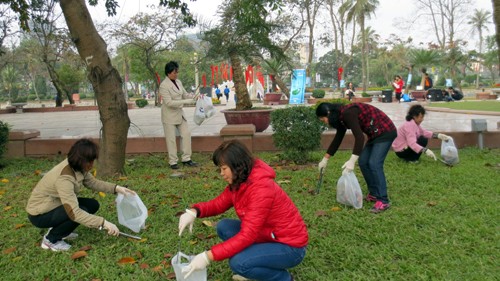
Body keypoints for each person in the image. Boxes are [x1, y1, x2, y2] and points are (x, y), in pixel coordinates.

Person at [178, 140, 308, 281]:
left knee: (238, 263)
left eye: (224, 168)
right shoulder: (240, 181)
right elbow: (218, 204)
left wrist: (207, 256)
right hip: (267, 235)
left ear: (237, 166)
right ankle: (253, 262)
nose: (221, 173)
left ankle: (284, 278)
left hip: (290, 246)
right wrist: (194, 211)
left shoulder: (261, 189)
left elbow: (248, 235)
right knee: (224, 227)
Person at [26, 138, 137, 252]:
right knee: (77, 212)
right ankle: (50, 240)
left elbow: (92, 182)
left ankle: (63, 231)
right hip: (40, 215)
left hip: (53, 205)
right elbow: (74, 213)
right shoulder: (64, 178)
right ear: (82, 160)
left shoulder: (77, 166)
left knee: (92, 205)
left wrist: (116, 188)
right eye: (90, 161)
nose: (92, 165)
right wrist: (104, 223)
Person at [316, 102, 397, 213]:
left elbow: (359, 137)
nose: (325, 122)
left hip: (385, 132)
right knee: (363, 161)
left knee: (374, 163)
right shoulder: (340, 118)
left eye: (323, 119)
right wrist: (325, 159)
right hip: (374, 135)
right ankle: (373, 193)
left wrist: (352, 160)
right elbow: (338, 139)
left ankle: (383, 200)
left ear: (328, 113)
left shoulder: (348, 113)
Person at [159, 61, 198, 169]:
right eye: (174, 72)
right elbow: (169, 103)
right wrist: (186, 102)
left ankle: (186, 159)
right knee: (171, 139)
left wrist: (193, 96)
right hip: (169, 115)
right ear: (168, 73)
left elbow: (184, 94)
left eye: (177, 72)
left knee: (186, 134)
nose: (176, 74)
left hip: (180, 114)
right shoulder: (163, 85)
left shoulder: (179, 82)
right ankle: (173, 162)